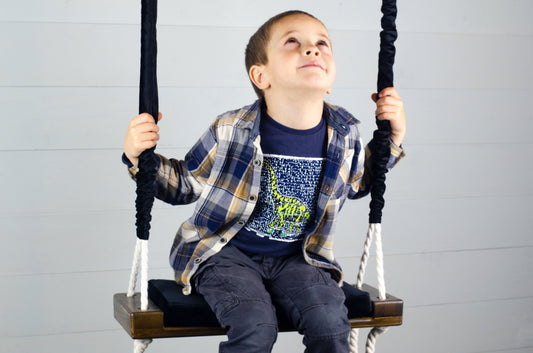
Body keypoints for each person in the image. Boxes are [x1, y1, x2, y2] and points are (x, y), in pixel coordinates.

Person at [123, 10, 406, 353]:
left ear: (330, 77)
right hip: (224, 254)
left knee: (332, 327)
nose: (312, 49)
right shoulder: (231, 129)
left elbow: (362, 183)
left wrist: (392, 138)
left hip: (300, 259)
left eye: (321, 43)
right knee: (256, 327)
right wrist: (140, 157)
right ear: (261, 75)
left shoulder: (345, 135)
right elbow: (184, 184)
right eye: (292, 42)